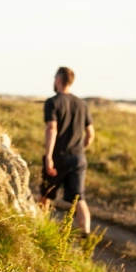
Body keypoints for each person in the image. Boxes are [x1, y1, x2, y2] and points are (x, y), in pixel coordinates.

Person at [40, 67, 95, 236]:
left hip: (58, 158)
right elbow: (91, 134)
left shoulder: (53, 102)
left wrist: (49, 156)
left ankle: (41, 230)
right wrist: (80, 150)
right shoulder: (82, 104)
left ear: (58, 80)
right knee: (80, 198)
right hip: (78, 158)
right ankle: (86, 237)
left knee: (45, 195)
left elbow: (52, 128)